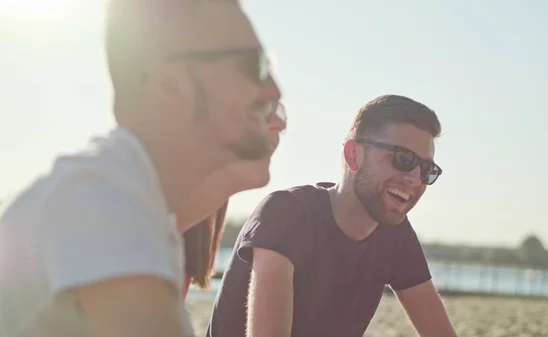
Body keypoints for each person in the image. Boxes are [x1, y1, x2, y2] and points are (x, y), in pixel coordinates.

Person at [0, 1, 282, 337]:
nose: (274, 90)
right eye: (255, 66)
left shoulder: (141, 213)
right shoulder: (102, 205)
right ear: (171, 87)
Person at [206, 94, 458, 337]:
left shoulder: (395, 234)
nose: (415, 178)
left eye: (427, 170)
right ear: (352, 154)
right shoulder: (288, 214)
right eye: (403, 159)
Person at [180, 103, 287, 293]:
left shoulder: (177, 241)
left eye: (277, 109)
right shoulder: (132, 231)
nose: (280, 123)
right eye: (262, 106)